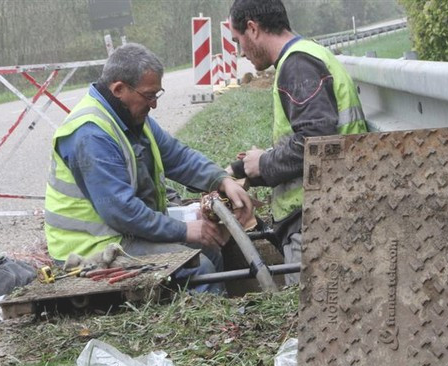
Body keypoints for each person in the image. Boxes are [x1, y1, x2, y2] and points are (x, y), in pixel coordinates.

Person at [44, 43, 253, 293]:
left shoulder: (128, 116)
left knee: (209, 250)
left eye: (157, 94)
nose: (154, 104)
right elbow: (123, 213)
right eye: (149, 95)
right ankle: (210, 328)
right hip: (92, 248)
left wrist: (222, 180)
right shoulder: (90, 134)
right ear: (119, 89)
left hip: (120, 234)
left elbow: (178, 157)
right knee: (201, 268)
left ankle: (220, 320)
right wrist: (185, 230)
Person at [227, 0, 367, 284]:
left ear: (252, 28)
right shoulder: (305, 56)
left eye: (238, 41)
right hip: (330, 211)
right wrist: (247, 167)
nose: (241, 52)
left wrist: (264, 163)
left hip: (319, 221)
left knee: (313, 320)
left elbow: (316, 143)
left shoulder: (297, 65)